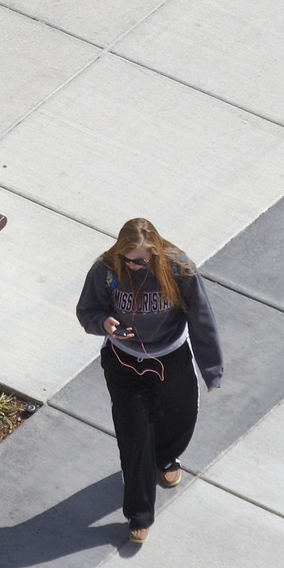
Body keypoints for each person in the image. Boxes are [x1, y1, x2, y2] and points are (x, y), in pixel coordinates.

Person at [76, 217, 223, 546]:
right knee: (135, 436)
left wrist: (211, 368)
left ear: (155, 252)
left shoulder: (178, 268)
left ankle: (167, 456)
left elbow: (201, 316)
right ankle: (139, 514)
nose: (134, 265)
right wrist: (104, 323)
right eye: (128, 259)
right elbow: (87, 311)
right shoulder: (107, 270)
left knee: (180, 418)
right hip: (123, 361)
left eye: (141, 260)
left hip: (170, 357)